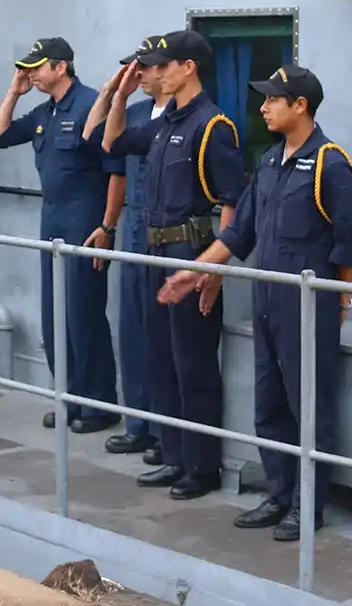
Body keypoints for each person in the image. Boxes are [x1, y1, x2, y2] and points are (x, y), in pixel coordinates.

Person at [158, 65, 352, 541]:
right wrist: (196, 271)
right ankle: (278, 492)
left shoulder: (331, 165)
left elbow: (350, 242)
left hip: (306, 305)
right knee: (269, 403)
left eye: (274, 99)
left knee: (309, 406)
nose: (263, 107)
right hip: (267, 300)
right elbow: (238, 232)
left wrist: (341, 299)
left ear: (301, 106)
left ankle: (306, 506)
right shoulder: (271, 162)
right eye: (265, 99)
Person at [101, 29, 246, 499]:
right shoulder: (166, 124)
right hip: (155, 250)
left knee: (193, 363)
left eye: (164, 66)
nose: (155, 73)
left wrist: (212, 271)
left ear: (189, 68)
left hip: (190, 249)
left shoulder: (213, 125)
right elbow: (114, 141)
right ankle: (171, 452)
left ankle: (201, 467)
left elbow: (233, 203)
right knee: (159, 356)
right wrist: (120, 95)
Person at [0, 38, 122, 433]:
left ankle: (98, 405)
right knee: (55, 318)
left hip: (85, 224)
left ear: (61, 67)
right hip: (52, 226)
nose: (30, 74)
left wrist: (107, 226)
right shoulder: (46, 111)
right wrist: (14, 93)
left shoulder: (90, 106)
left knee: (84, 316)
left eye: (36, 67)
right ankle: (68, 396)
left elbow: (116, 170)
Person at [83, 35, 169, 460]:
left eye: (144, 68)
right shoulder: (132, 114)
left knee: (163, 334)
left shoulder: (181, 117)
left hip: (168, 228)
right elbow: (94, 138)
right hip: (134, 224)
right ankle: (138, 423)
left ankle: (165, 431)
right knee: (131, 328)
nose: (138, 76)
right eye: (132, 68)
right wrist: (111, 93)